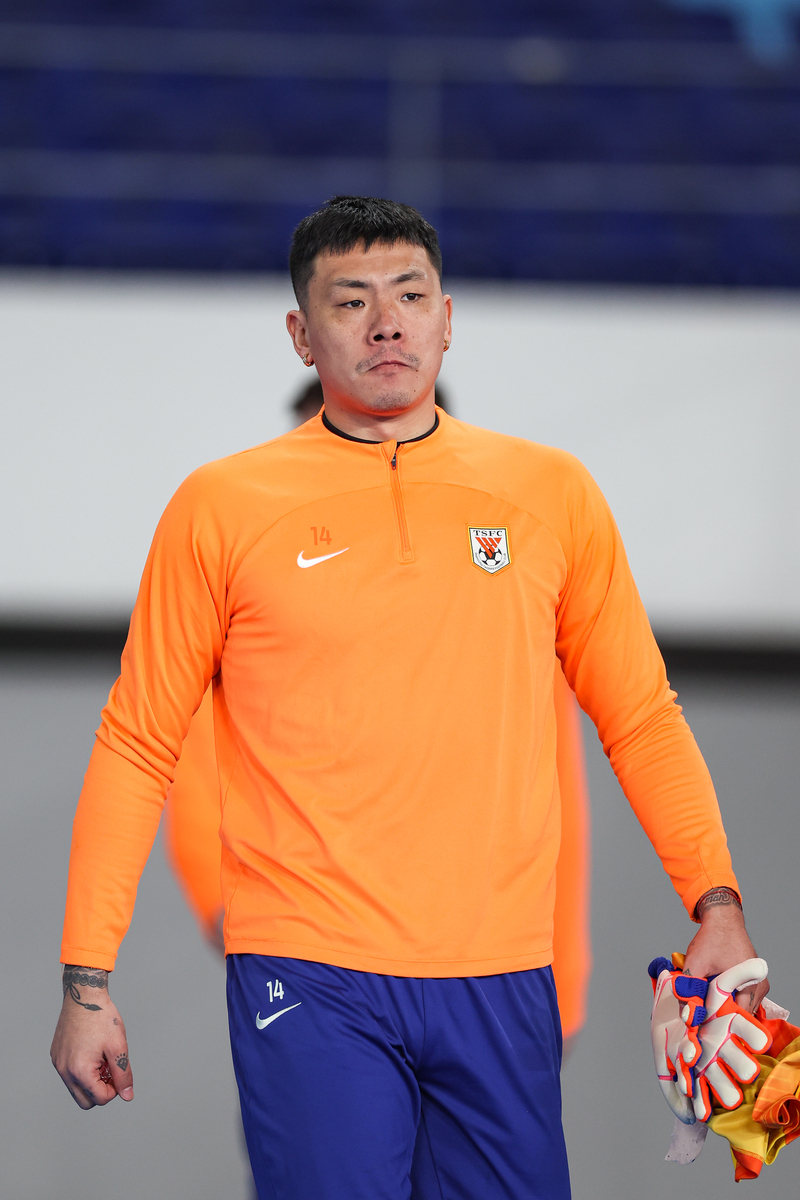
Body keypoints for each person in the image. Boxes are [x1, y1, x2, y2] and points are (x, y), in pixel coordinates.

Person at [51, 195, 767, 1200]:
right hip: (306, 971)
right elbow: (137, 744)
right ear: (301, 335)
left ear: (447, 318)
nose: (385, 322)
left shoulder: (551, 493)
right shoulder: (218, 507)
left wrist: (716, 902)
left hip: (502, 975)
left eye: (410, 295)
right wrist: (87, 978)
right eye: (350, 301)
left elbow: (641, 715)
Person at [162, 378, 592, 1051]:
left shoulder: (515, 599)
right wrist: (239, 922)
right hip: (313, 961)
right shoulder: (250, 588)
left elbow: (550, 803)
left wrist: (556, 987)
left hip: (494, 982)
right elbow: (188, 765)